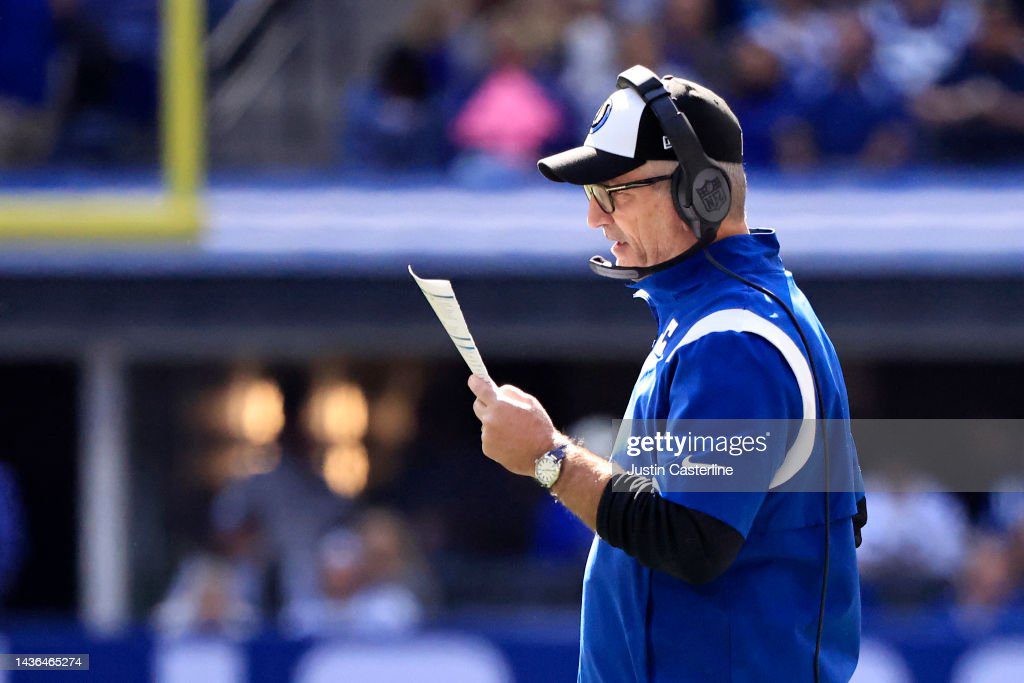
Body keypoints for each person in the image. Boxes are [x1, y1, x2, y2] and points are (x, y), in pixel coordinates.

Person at [467, 66, 866, 681]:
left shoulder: (733, 339)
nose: (596, 220)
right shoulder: (716, 319)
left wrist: (547, 458)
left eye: (613, 195)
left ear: (699, 192)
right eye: (591, 197)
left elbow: (692, 538)